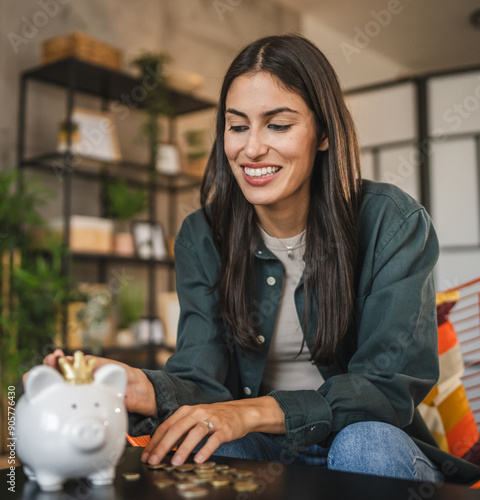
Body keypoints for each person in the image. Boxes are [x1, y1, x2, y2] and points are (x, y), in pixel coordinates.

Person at [43, 34, 454, 482]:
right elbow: (205, 379)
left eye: (278, 125)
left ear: (323, 134)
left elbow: (386, 389)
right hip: (266, 449)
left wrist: (251, 412)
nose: (251, 148)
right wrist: (145, 387)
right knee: (208, 439)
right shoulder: (203, 236)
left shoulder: (391, 223)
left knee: (364, 445)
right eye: (238, 126)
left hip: (364, 440)